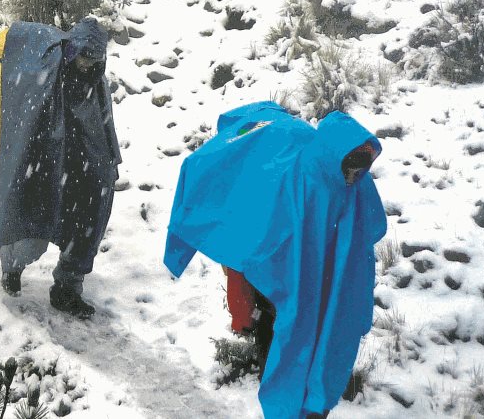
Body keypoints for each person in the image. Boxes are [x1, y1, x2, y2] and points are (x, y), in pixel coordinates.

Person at [164, 101, 386, 419]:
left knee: (324, 327)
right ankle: (288, 402)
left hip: (318, 267)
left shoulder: (352, 182)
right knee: (290, 325)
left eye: (361, 167)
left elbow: (367, 227)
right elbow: (251, 206)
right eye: (352, 166)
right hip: (283, 264)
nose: (355, 175)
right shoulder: (286, 169)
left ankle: (309, 401)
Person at [0, 17, 120, 319]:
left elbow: (102, 120)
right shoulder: (49, 69)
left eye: (93, 60)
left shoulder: (96, 80)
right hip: (46, 152)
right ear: (72, 51)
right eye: (83, 59)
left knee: (88, 219)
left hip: (83, 159)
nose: (87, 66)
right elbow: (32, 109)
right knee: (30, 208)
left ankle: (67, 288)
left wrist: (107, 164)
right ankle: (12, 266)